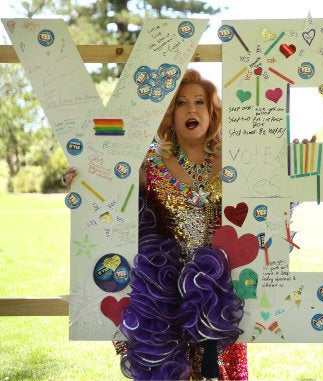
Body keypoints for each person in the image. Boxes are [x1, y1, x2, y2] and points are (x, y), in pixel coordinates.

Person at [63, 69, 247, 380]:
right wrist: (79, 179)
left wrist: (292, 160)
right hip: (163, 293)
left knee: (220, 373)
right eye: (181, 103)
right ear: (169, 114)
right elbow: (108, 191)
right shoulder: (148, 164)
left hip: (217, 293)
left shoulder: (234, 162)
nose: (191, 109)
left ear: (211, 113)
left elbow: (267, 200)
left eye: (200, 102)